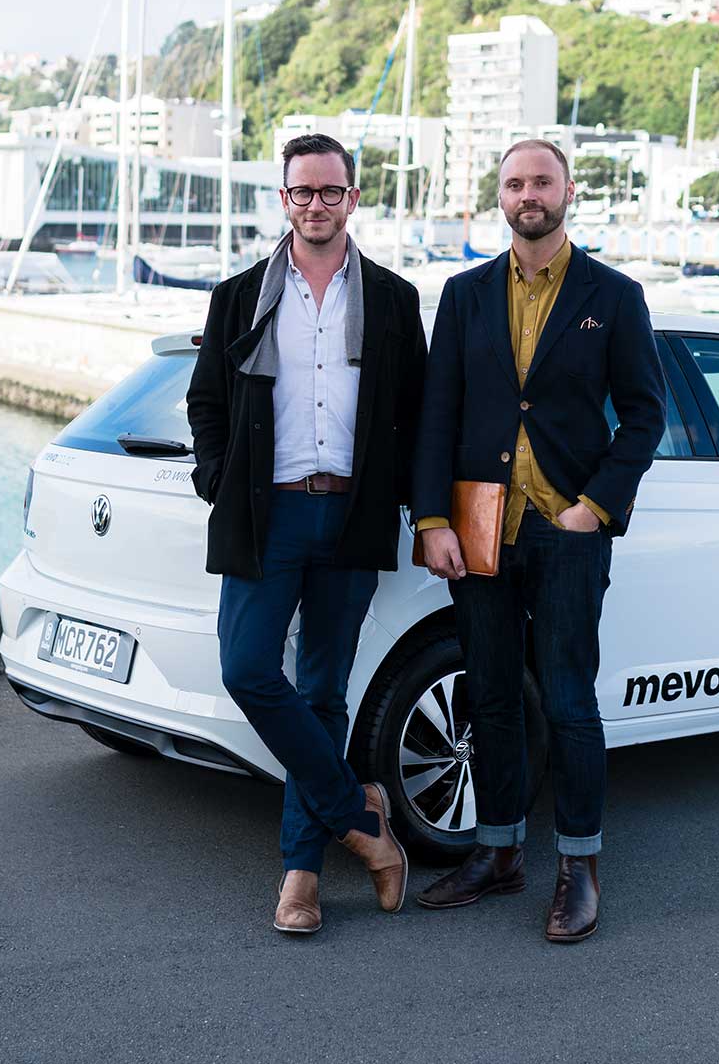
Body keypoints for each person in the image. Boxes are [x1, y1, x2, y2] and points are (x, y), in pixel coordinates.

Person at [410, 138, 665, 943]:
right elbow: (436, 415)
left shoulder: (614, 296)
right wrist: (431, 518)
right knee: (488, 696)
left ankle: (578, 868)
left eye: (542, 181)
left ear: (568, 191)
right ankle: (497, 853)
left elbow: (646, 413)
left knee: (567, 701)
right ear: (501, 195)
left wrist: (595, 507)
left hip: (565, 530)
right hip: (481, 530)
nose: (529, 194)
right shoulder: (463, 295)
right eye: (515, 182)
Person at [186, 132, 427, 935]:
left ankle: (300, 877)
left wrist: (411, 504)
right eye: (302, 192)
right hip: (268, 513)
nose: (316, 205)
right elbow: (208, 403)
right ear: (283, 200)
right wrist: (216, 479)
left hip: (352, 515)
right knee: (248, 668)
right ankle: (362, 821)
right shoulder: (240, 295)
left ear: (353, 199)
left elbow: (415, 415)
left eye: (330, 192)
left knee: (323, 692)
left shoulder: (393, 300)